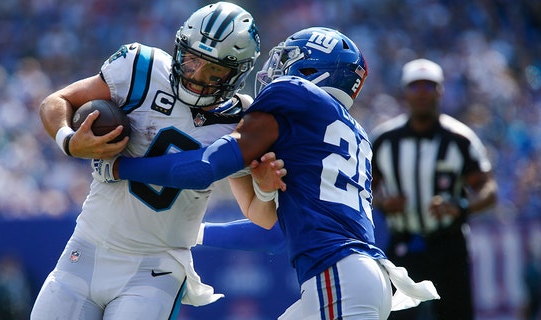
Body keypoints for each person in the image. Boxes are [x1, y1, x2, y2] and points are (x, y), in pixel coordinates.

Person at [106, 27, 440, 319]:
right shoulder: (348, 132)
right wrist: (194, 231)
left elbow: (205, 167)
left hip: (339, 274)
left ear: (311, 68)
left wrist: (119, 167)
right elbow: (275, 233)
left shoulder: (294, 93)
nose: (276, 68)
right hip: (358, 277)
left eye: (289, 58)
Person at [31, 2, 264, 319]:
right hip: (87, 246)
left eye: (215, 70)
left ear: (236, 73)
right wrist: (68, 141)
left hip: (156, 266)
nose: (197, 75)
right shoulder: (140, 68)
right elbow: (56, 101)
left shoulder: (242, 119)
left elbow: (254, 208)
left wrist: (264, 188)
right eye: (193, 60)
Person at [369, 58, 498, 319]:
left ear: (440, 90)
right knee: (396, 314)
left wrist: (461, 207)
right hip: (402, 242)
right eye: (415, 87)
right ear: (405, 92)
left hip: (448, 243)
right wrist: (383, 204)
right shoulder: (384, 139)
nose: (421, 94)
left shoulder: (459, 138)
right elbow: (363, 188)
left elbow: (488, 189)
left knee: (455, 313)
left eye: (429, 87)